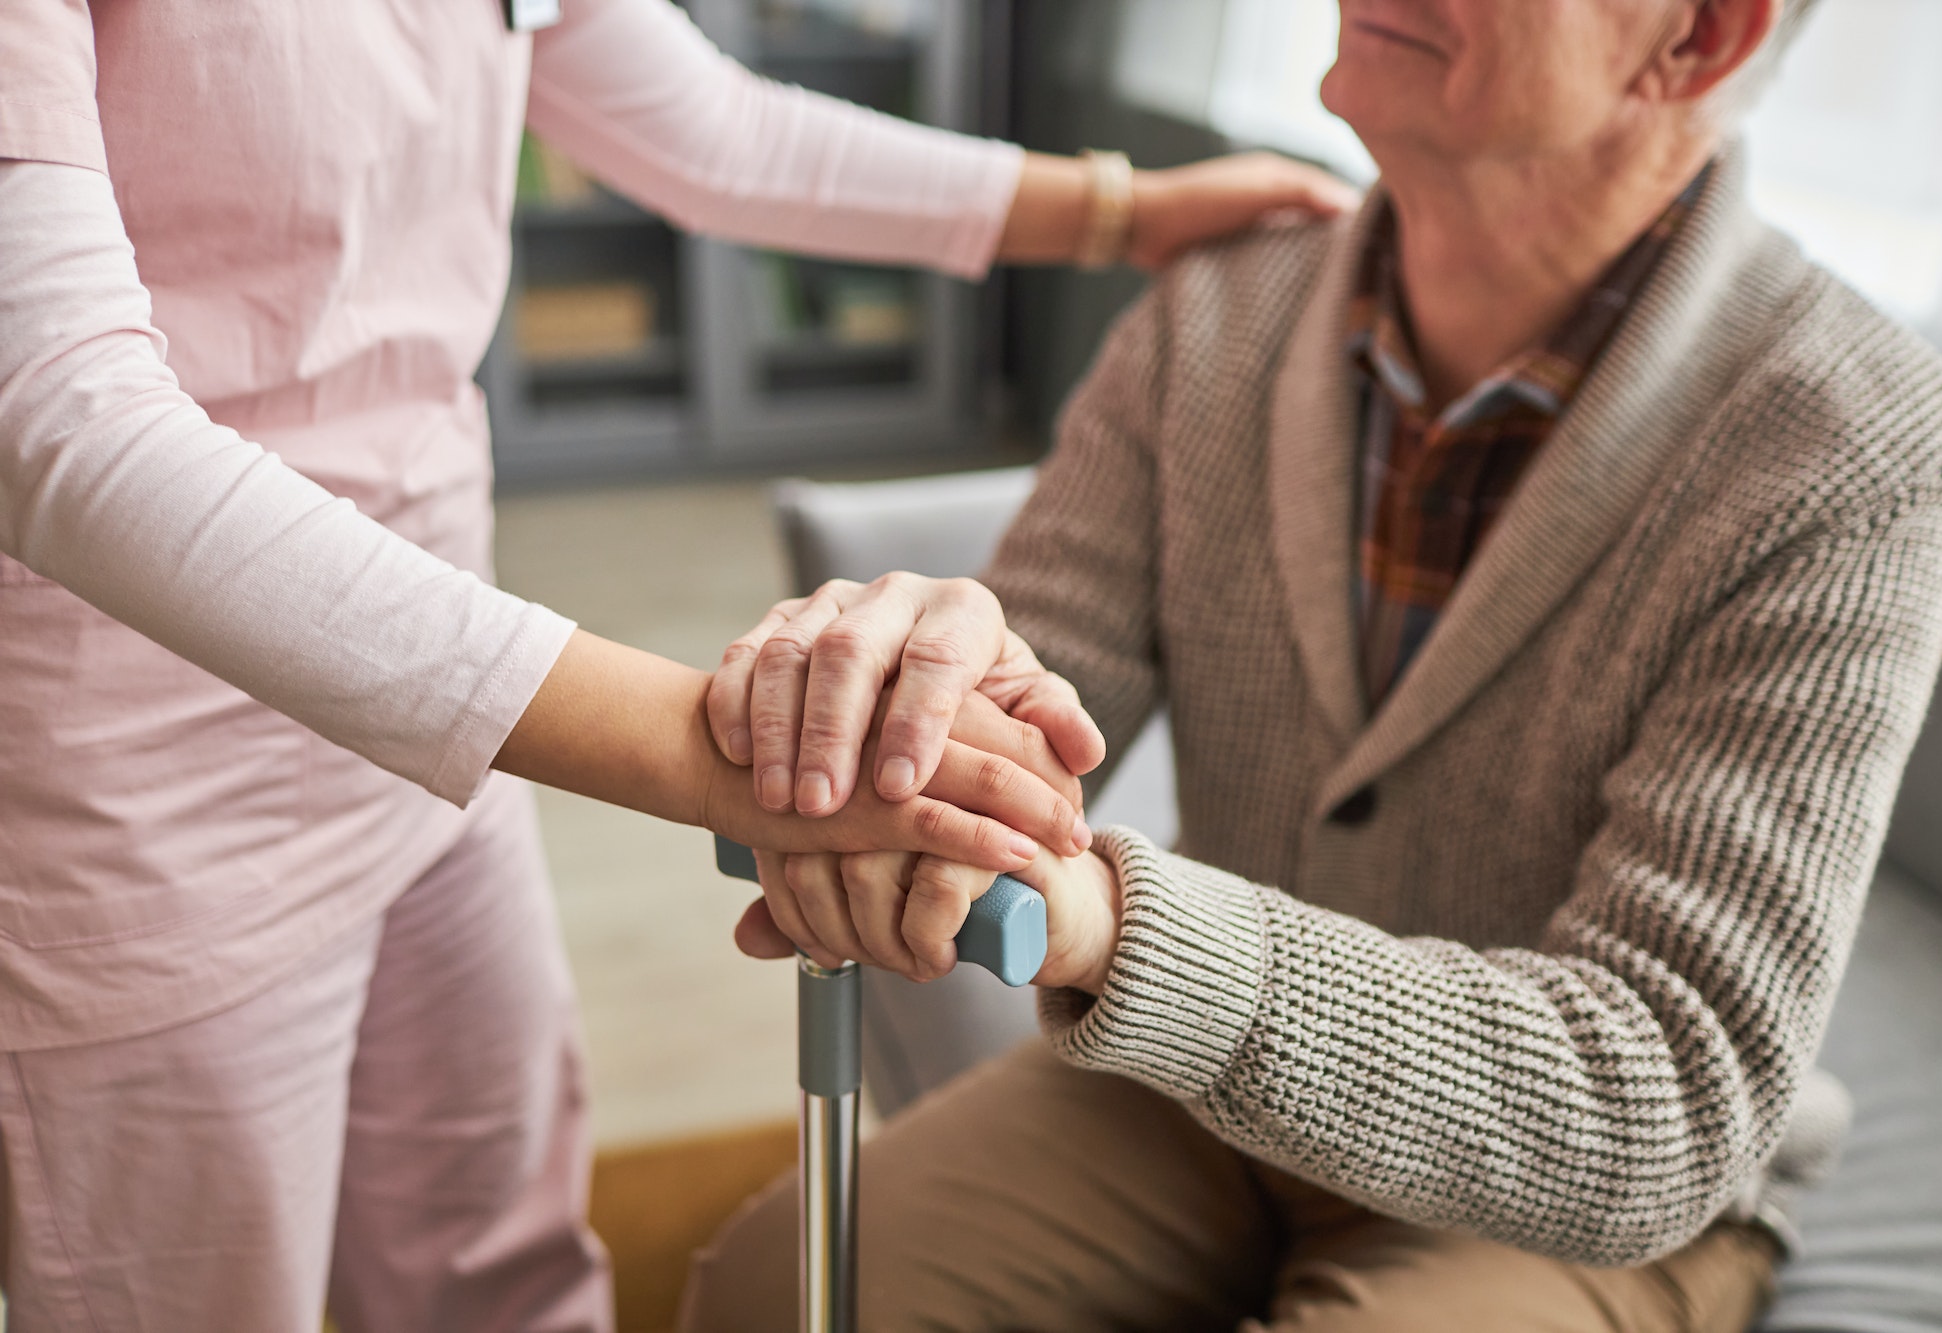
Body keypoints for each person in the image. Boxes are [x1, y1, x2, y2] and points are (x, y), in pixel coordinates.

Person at [0, 1, 1356, 1327]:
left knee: (501, 1263)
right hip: (143, 774)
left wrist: (1125, 215)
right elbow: (56, 417)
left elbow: (707, 126)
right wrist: (714, 754)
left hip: (426, 703)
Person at [689, 0, 1942, 1328]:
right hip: (1199, 1095)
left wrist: (1120, 924)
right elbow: (1011, 721)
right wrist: (903, 689)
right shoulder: (1221, 306)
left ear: (1699, 39)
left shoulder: (1858, 440)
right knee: (773, 1296)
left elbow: (1659, 1088)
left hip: (1568, 1198)